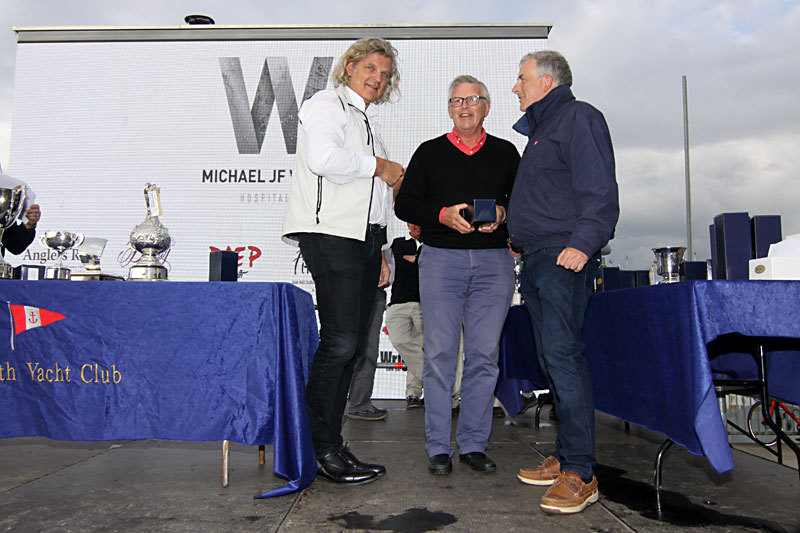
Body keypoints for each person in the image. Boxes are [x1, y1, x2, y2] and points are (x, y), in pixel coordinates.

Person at [282, 37, 405, 485]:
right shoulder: (326, 103)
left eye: (385, 74)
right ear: (349, 67)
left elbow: (374, 201)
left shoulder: (366, 121)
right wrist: (380, 166)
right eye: (371, 68)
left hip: (364, 242)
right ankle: (318, 447)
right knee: (339, 343)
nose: (378, 78)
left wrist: (384, 250)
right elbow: (324, 158)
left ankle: (331, 443)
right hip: (331, 237)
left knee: (350, 347)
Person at [507, 51, 619, 514]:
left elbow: (600, 190)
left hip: (563, 258)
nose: (516, 87)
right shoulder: (541, 132)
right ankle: (566, 453)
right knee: (550, 360)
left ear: (548, 82)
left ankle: (581, 473)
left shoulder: (578, 117)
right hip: (537, 258)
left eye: (522, 78)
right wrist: (519, 238)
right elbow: (550, 196)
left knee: (563, 358)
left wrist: (583, 243)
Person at [395, 75, 519, 476]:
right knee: (439, 355)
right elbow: (404, 204)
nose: (464, 107)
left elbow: (524, 201)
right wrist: (440, 215)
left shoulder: (506, 153)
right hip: (441, 262)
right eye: (456, 101)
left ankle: (473, 444)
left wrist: (503, 213)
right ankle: (437, 447)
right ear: (449, 109)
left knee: (484, 357)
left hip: (493, 263)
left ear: (487, 107)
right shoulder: (429, 152)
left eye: (472, 99)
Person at [347, 254, 390, 421]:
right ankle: (357, 404)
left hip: (371, 288)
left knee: (366, 350)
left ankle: (358, 403)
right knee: (361, 349)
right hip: (359, 286)